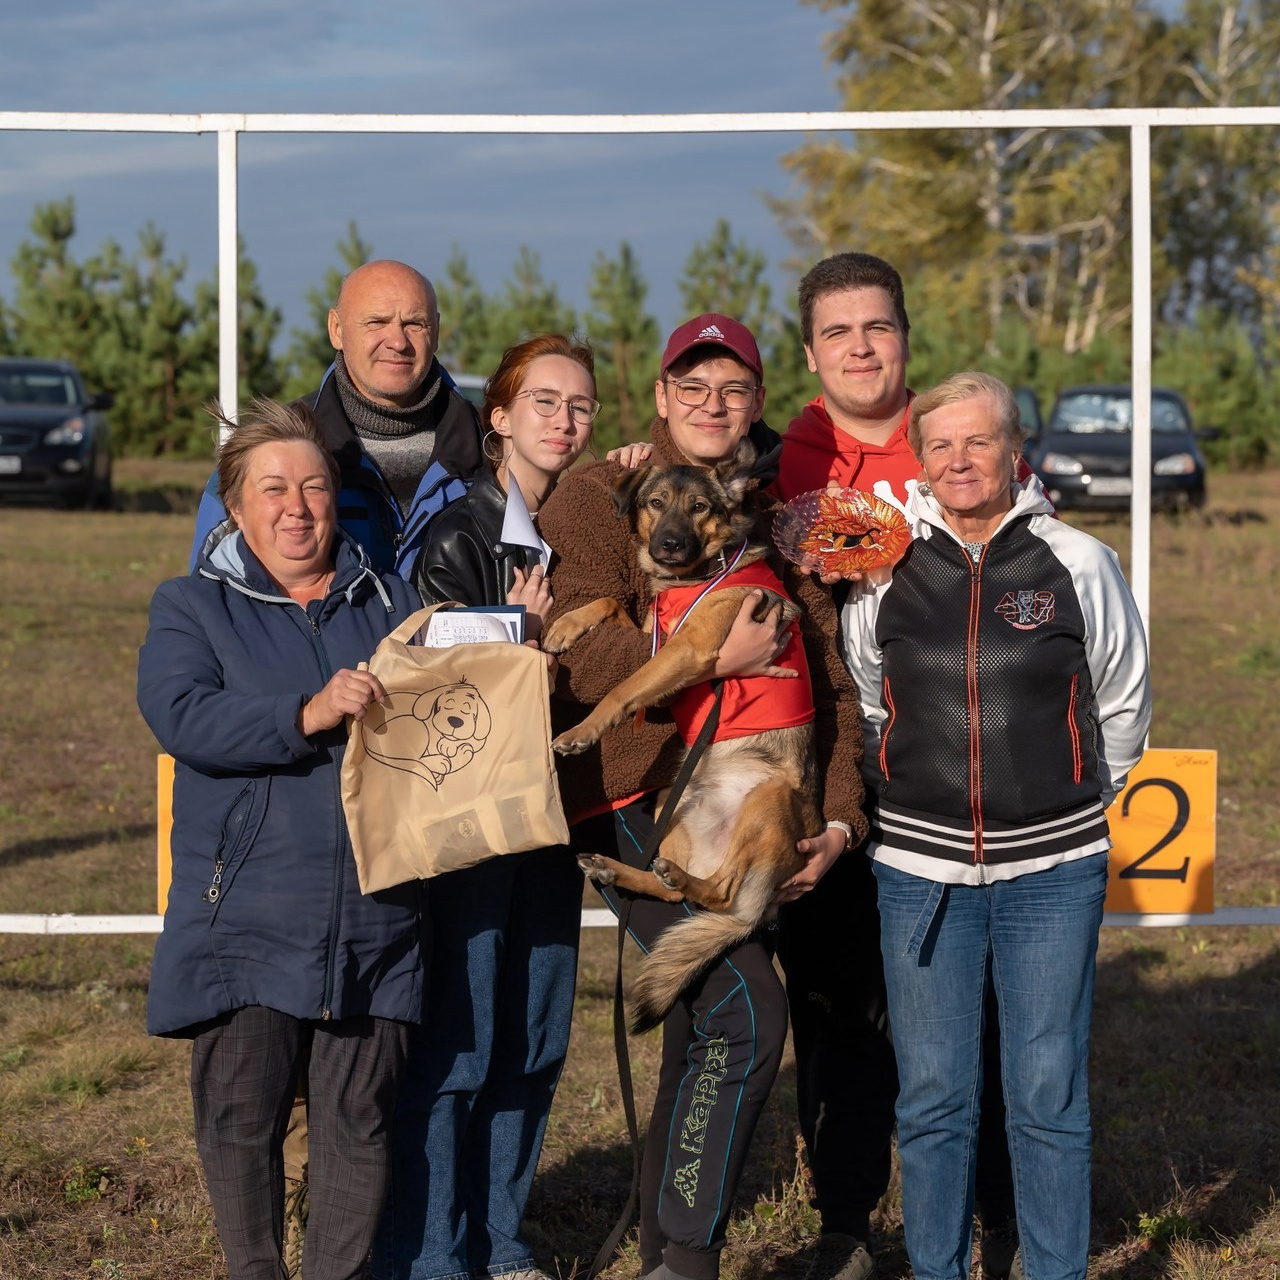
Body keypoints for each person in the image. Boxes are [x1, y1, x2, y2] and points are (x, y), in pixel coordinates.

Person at [540, 314, 866, 1280]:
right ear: (662, 398)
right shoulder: (599, 491)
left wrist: (837, 819)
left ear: (758, 404)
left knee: (696, 1022)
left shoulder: (771, 521)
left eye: (732, 390)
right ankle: (687, 1256)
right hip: (627, 796)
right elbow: (578, 651)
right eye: (693, 389)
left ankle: (660, 1252)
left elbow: (835, 687)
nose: (712, 406)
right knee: (747, 1015)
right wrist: (701, 658)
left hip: (752, 794)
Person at [842, 372, 1151, 1280]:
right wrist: (905, 802)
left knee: (1046, 1093)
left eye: (978, 442)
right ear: (920, 460)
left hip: (1054, 871)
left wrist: (1080, 803)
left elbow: (1123, 702)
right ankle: (936, 1267)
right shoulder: (885, 568)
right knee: (933, 1096)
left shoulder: (1080, 561)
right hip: (917, 872)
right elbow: (868, 699)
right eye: (939, 445)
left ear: (1016, 449)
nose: (959, 461)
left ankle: (1055, 1269)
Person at [138, 398, 428, 1280]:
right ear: (234, 507)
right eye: (274, 488)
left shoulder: (397, 604)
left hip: (380, 915)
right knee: (240, 1118)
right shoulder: (192, 605)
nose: (298, 506)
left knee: (358, 1122)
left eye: (314, 485)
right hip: (249, 914)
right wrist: (306, 712)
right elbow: (182, 714)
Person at [774, 253, 1022, 1280]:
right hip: (837, 763)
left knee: (979, 1000)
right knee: (837, 1003)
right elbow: (814, 549)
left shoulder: (953, 434)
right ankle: (844, 1215)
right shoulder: (790, 448)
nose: (860, 347)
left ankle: (1000, 1210)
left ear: (904, 338)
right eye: (838, 332)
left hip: (964, 766)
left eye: (876, 327)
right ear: (810, 351)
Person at [374, 334, 599, 1280]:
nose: (563, 420)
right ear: (498, 416)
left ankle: (502, 1243)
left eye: (580, 405)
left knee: (537, 1040)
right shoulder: (461, 533)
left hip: (552, 827)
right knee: (461, 1048)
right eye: (542, 401)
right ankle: (433, 1253)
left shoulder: (587, 533)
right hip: (475, 827)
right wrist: (529, 643)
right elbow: (441, 688)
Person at [191, 258, 485, 572]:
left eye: (415, 324)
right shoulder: (267, 451)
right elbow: (211, 588)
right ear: (336, 329)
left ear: (436, 331)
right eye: (376, 322)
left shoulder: (493, 448)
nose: (398, 342)